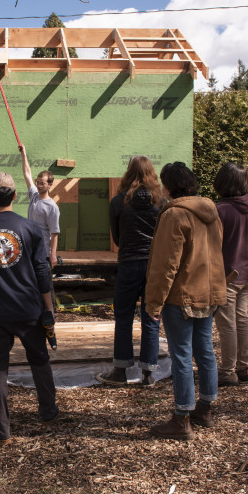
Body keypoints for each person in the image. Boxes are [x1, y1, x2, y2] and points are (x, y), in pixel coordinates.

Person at [0, 171, 60, 445]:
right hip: (29, 310)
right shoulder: (29, 229)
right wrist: (48, 309)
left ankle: (2, 430)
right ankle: (48, 411)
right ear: (15, 196)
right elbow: (43, 273)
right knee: (39, 360)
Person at [144, 162, 226, 440]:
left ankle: (181, 419)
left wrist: (153, 302)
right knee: (204, 351)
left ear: (167, 187)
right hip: (208, 292)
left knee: (181, 354)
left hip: (182, 297)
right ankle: (205, 409)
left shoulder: (174, 215)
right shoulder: (212, 213)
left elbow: (166, 265)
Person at [97, 156, 163, 387]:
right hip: (153, 265)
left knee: (123, 317)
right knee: (151, 317)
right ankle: (148, 373)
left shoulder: (118, 202)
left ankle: (120, 371)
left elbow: (116, 237)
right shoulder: (161, 203)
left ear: (128, 173)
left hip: (128, 263)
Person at [212, 162, 248, 386]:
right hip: (246, 273)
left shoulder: (220, 210)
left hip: (226, 276)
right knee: (242, 320)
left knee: (226, 323)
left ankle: (227, 370)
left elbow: (211, 245)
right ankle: (245, 366)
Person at [19, 145, 60, 269]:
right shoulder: (34, 196)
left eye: (42, 183)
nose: (39, 186)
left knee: (44, 284)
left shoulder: (52, 207)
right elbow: (27, 173)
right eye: (37, 183)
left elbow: (54, 233)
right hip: (30, 249)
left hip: (43, 253)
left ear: (50, 185)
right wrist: (24, 154)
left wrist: (53, 255)